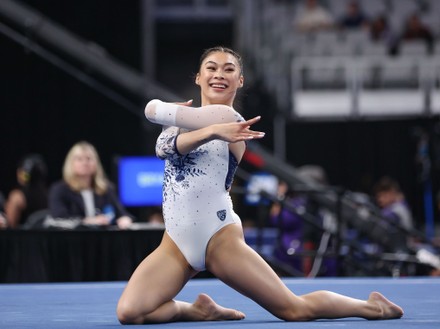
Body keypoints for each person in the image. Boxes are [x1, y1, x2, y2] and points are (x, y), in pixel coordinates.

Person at [116, 46, 403, 324]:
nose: (219, 74)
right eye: (211, 68)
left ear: (239, 81)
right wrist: (208, 132)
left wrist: (190, 121)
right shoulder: (200, 122)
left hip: (218, 237)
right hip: (176, 242)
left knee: (294, 309)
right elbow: (164, 148)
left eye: (229, 70)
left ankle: (370, 306)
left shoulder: (228, 117)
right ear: (198, 77)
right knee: (130, 313)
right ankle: (197, 311)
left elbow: (153, 110)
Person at [48, 141, 133, 229]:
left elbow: (122, 214)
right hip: (72, 239)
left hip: (103, 239)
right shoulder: (59, 189)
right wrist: (88, 221)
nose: (85, 163)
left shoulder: (106, 188)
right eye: (79, 159)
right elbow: (59, 219)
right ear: (71, 163)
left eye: (89, 159)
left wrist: (125, 219)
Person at [4, 154, 49, 228]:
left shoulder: (17, 197)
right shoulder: (50, 195)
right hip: (43, 238)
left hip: (23, 238)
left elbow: (9, 226)